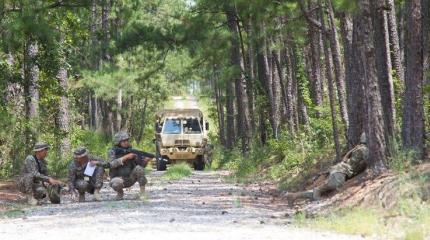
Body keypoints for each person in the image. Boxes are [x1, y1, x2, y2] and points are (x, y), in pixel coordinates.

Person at [285, 133, 369, 205]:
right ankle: (318, 190)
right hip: (341, 171)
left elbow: (345, 159)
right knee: (334, 186)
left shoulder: (358, 148)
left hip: (340, 170)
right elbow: (365, 159)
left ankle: (292, 196)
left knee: (326, 190)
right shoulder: (363, 149)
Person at [108, 131, 149, 200]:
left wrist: (145, 161)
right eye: (124, 141)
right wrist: (125, 158)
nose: (126, 142)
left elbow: (140, 167)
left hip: (130, 177)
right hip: (118, 178)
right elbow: (111, 164)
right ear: (118, 142)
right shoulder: (113, 151)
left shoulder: (131, 151)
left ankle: (142, 192)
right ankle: (120, 193)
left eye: (127, 140)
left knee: (139, 168)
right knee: (116, 183)